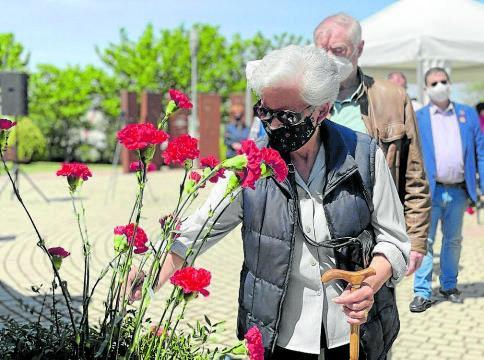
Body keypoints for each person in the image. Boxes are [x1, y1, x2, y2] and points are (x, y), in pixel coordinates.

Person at [128, 45, 410, 359]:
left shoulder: (364, 154)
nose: (273, 125)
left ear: (322, 110)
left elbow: (394, 240)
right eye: (265, 112)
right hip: (280, 335)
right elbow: (195, 233)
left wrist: (370, 283)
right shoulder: (249, 165)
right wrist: (147, 276)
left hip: (353, 332)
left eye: (286, 115)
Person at [313, 13, 430, 277]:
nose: (328, 56)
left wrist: (417, 240)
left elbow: (414, 175)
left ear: (359, 49)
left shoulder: (392, 98)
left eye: (338, 50)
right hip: (315, 235)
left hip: (376, 236)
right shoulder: (302, 98)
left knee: (374, 312)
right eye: (322, 49)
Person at [410, 67, 484, 312]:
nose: (440, 86)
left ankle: (449, 286)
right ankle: (421, 292)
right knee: (425, 242)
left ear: (450, 84)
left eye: (443, 81)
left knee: (453, 241)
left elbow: (480, 152)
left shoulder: (467, 114)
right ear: (425, 89)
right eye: (434, 83)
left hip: (458, 191)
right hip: (428, 192)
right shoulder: (418, 117)